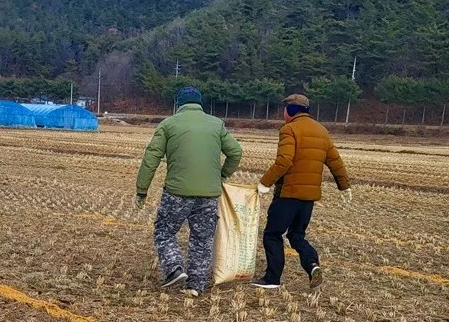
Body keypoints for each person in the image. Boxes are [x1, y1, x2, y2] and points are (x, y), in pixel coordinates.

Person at [135, 86, 242, 297]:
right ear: (200, 103)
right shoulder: (216, 124)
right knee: (202, 239)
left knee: (164, 231)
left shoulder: (168, 124)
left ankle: (174, 268)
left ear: (179, 104)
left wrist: (142, 190)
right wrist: (221, 175)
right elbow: (236, 152)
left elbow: (151, 159)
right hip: (209, 195)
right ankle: (195, 285)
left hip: (177, 192)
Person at [253, 93, 351, 289]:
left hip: (288, 194)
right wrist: (344, 185)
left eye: (285, 110)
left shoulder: (289, 129)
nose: (283, 114)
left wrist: (265, 183)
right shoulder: (321, 130)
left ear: (291, 110)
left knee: (272, 234)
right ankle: (312, 264)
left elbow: (284, 160)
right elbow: (335, 161)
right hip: (308, 197)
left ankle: (272, 279)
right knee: (297, 235)